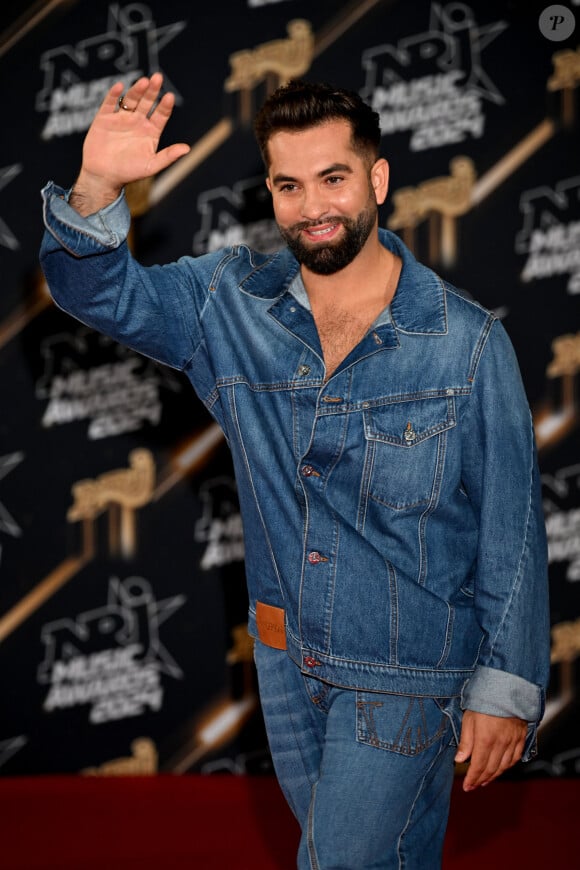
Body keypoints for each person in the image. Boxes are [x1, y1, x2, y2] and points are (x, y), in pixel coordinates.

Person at [40, 73, 550, 869]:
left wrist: (507, 687)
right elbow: (94, 292)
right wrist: (98, 184)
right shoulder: (227, 301)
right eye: (288, 185)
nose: (313, 206)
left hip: (403, 668)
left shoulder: (467, 342)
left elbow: (511, 528)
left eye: (334, 178)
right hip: (284, 663)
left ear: (376, 180)